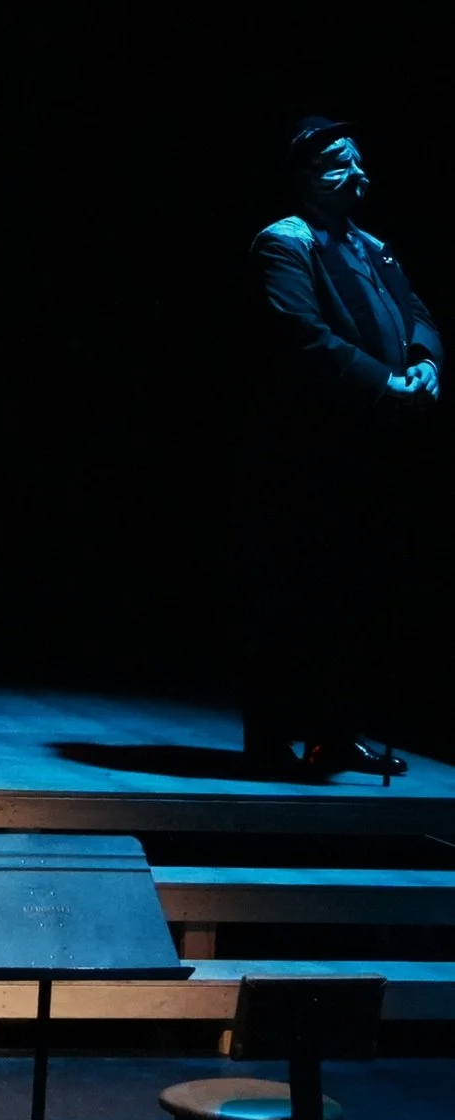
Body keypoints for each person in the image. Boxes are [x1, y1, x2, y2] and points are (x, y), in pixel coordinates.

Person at [241, 116, 440, 779]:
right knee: (297, 593)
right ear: (304, 177)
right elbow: (301, 336)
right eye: (338, 164)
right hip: (311, 453)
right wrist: (384, 382)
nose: (358, 175)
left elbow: (417, 314)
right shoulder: (285, 242)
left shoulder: (373, 246)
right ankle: (271, 740)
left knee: (357, 595)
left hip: (372, 449)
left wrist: (424, 363)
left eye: (358, 161)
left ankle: (335, 733)